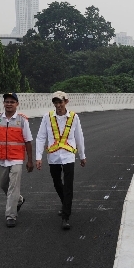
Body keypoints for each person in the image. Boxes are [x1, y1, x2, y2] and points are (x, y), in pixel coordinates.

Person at [35, 91, 86, 230]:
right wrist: (38, 157)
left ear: (66, 102)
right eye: (56, 102)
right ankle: (66, 204)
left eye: (60, 102)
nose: (58, 105)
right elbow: (40, 137)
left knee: (68, 185)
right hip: (53, 156)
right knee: (57, 182)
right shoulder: (47, 117)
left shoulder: (74, 117)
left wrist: (82, 156)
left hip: (69, 155)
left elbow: (79, 137)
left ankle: (65, 216)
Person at [0, 92, 34, 228]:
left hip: (16, 159)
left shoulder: (22, 120)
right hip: (0, 158)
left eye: (12, 102)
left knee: (13, 187)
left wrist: (30, 160)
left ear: (17, 104)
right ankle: (19, 200)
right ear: (3, 103)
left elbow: (28, 141)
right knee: (3, 185)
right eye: (7, 101)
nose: (9, 104)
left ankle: (10, 215)